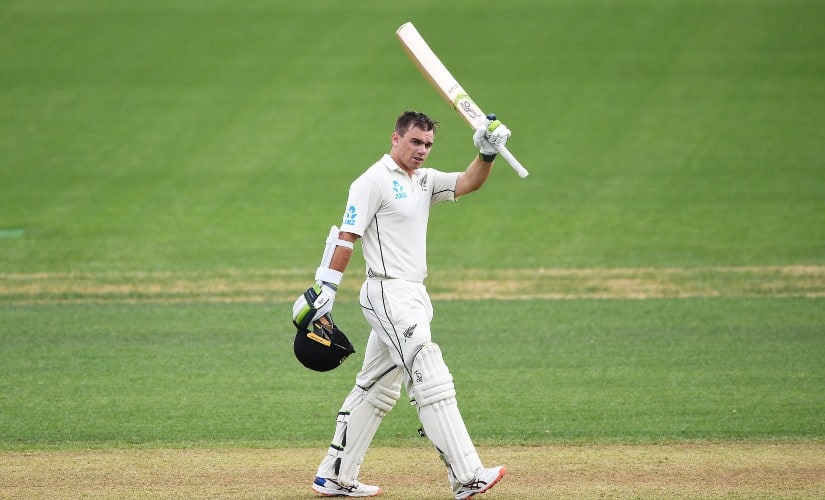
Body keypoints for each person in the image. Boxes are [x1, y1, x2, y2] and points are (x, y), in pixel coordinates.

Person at [293, 110, 512, 499]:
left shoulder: (424, 181)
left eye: (428, 144)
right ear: (395, 139)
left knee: (376, 388)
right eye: (415, 142)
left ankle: (334, 476)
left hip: (413, 294)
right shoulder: (372, 181)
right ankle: (467, 475)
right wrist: (326, 287)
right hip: (385, 293)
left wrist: (487, 154)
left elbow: (466, 182)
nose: (422, 150)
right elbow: (347, 235)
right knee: (429, 371)